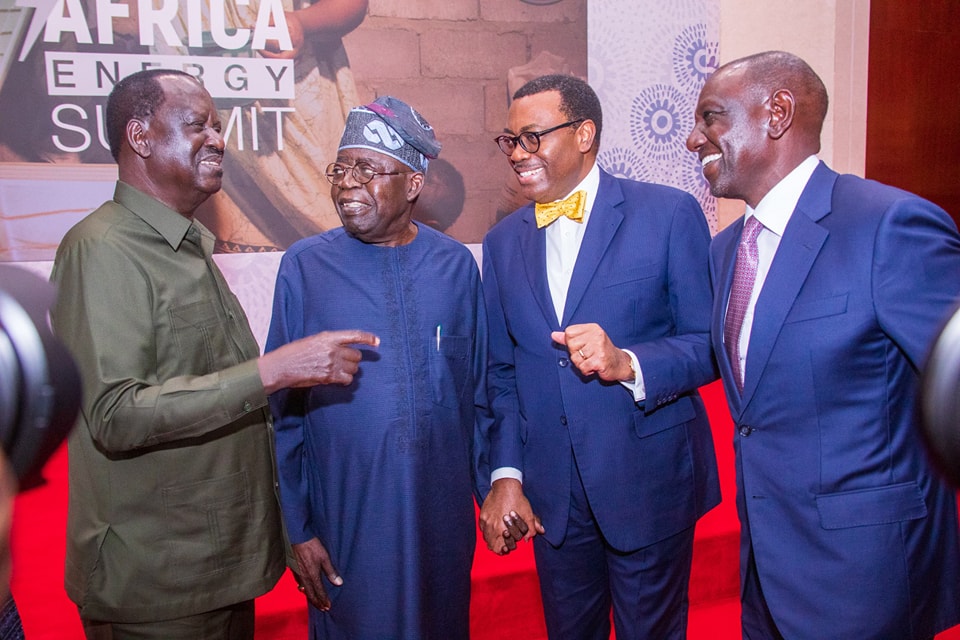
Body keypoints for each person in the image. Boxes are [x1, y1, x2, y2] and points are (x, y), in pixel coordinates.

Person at [50, 68, 378, 639]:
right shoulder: (102, 249)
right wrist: (273, 371)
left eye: (219, 126)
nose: (218, 139)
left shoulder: (185, 247)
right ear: (141, 137)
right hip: (156, 588)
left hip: (217, 573)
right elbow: (116, 414)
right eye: (197, 124)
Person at [686, 50, 960, 639]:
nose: (692, 138)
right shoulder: (726, 248)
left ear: (777, 113)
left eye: (711, 117)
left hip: (866, 578)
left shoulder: (889, 226)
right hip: (764, 571)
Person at [479, 73, 720, 639]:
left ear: (584, 133)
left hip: (647, 483)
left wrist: (628, 364)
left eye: (533, 137)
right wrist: (506, 473)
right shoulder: (502, 242)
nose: (518, 154)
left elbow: (709, 345)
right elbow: (502, 373)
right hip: (551, 495)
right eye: (510, 141)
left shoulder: (668, 214)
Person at [266, 96, 487, 638]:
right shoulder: (305, 267)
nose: (346, 184)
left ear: (412, 185)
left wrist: (499, 486)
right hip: (347, 520)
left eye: (366, 169)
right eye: (340, 169)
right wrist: (297, 528)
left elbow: (479, 393)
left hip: (441, 518)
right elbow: (282, 412)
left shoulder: (455, 267)